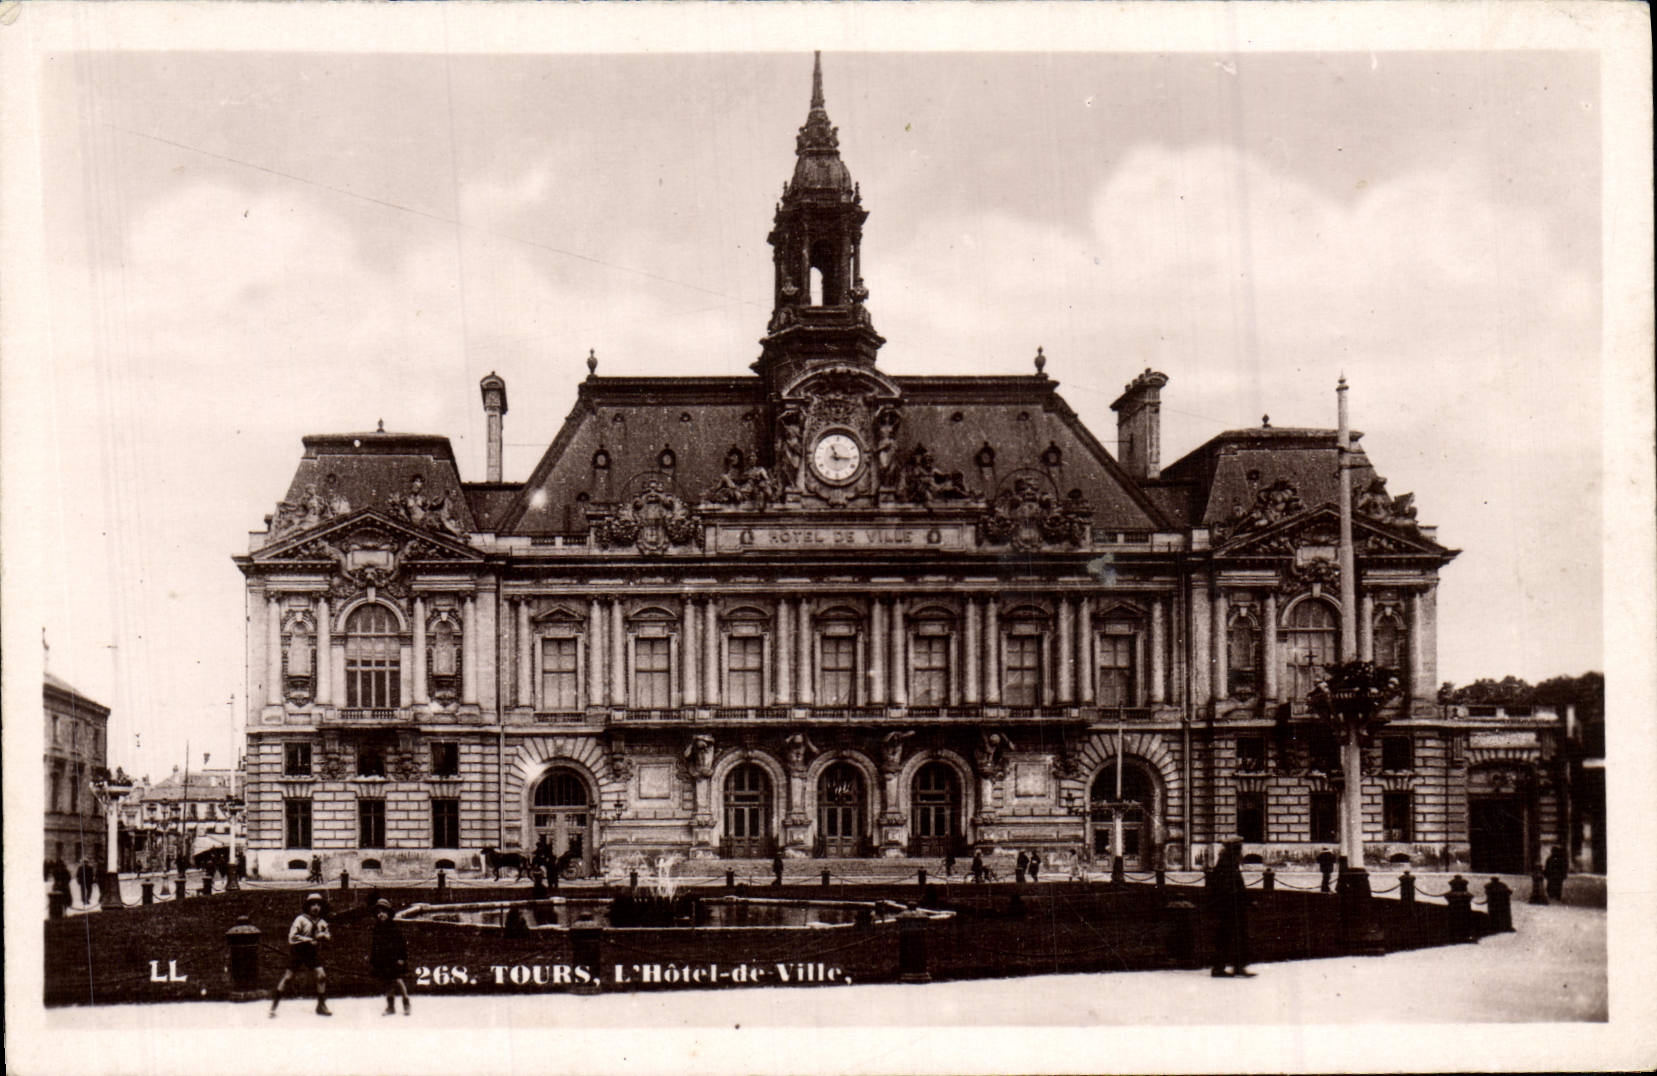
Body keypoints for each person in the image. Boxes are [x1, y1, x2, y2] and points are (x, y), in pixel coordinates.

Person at [271, 892, 332, 1017]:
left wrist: (324, 936)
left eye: (318, 905)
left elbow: (328, 935)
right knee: (288, 978)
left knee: (321, 976)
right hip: (298, 951)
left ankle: (321, 1006)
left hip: (311, 952)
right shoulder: (300, 919)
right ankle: (274, 1006)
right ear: (308, 906)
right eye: (313, 905)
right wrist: (309, 939)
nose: (316, 908)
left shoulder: (322, 922)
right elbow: (292, 937)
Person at [1206, 839, 1254, 978]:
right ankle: (1219, 968)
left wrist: (1248, 901)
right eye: (1239, 849)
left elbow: (1238, 886)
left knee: (1237, 937)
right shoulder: (1226, 864)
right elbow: (1226, 888)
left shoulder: (1230, 863)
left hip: (1233, 907)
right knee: (1226, 937)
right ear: (1234, 850)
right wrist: (1240, 899)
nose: (1241, 852)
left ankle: (1237, 966)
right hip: (1229, 908)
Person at [368, 899, 411, 1016]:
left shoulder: (393, 927)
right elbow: (375, 945)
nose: (381, 915)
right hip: (383, 960)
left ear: (388, 913)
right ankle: (390, 1006)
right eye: (378, 913)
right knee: (387, 982)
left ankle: (406, 1002)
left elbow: (401, 944)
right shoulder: (377, 928)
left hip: (394, 959)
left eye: (383, 912)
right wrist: (374, 960)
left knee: (397, 980)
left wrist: (401, 958)